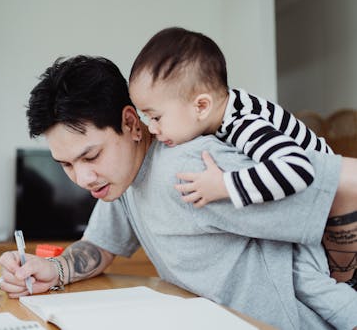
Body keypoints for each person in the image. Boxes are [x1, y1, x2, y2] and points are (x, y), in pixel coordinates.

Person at [0, 55, 357, 329]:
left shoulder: (188, 168)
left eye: (90, 155)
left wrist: (339, 274)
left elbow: (346, 183)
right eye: (66, 165)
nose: (82, 178)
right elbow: (101, 246)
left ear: (129, 122)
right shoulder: (120, 180)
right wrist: (53, 269)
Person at [128, 27, 357, 287]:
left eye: (156, 117)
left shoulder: (244, 122)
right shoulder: (225, 112)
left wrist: (225, 184)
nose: (151, 128)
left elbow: (298, 168)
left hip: (340, 216)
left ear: (201, 106)